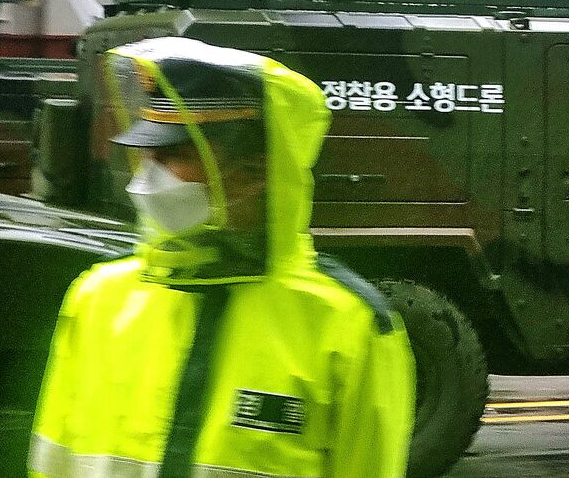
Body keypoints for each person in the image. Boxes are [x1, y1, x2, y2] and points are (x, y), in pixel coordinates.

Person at [29, 36, 414, 478]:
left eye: (172, 155)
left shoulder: (347, 327)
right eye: (144, 154)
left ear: (254, 171)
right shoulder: (97, 300)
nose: (147, 175)